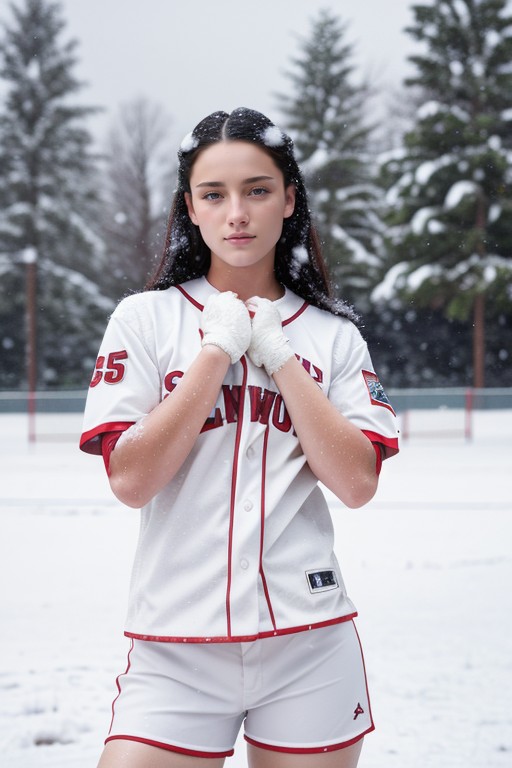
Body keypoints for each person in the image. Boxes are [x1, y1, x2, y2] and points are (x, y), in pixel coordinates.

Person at [80, 107, 399, 768]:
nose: (238, 214)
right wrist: (215, 354)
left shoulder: (333, 335)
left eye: (257, 190)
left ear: (289, 198)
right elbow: (131, 479)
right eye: (214, 194)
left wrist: (280, 357)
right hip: (175, 645)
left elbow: (357, 481)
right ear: (190, 209)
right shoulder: (146, 320)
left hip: (308, 643)